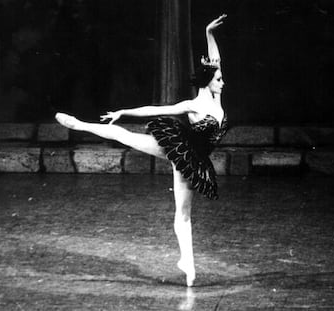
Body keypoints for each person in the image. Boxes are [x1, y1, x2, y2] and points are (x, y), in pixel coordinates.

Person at [55, 14, 228, 287]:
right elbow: (154, 110)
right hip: (181, 151)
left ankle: (187, 264)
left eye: (221, 78)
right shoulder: (193, 104)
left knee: (184, 214)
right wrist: (124, 111)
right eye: (218, 79)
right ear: (208, 82)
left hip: (195, 160)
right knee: (126, 137)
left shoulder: (216, 96)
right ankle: (79, 124)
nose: (222, 82)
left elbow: (214, 59)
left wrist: (208, 33)